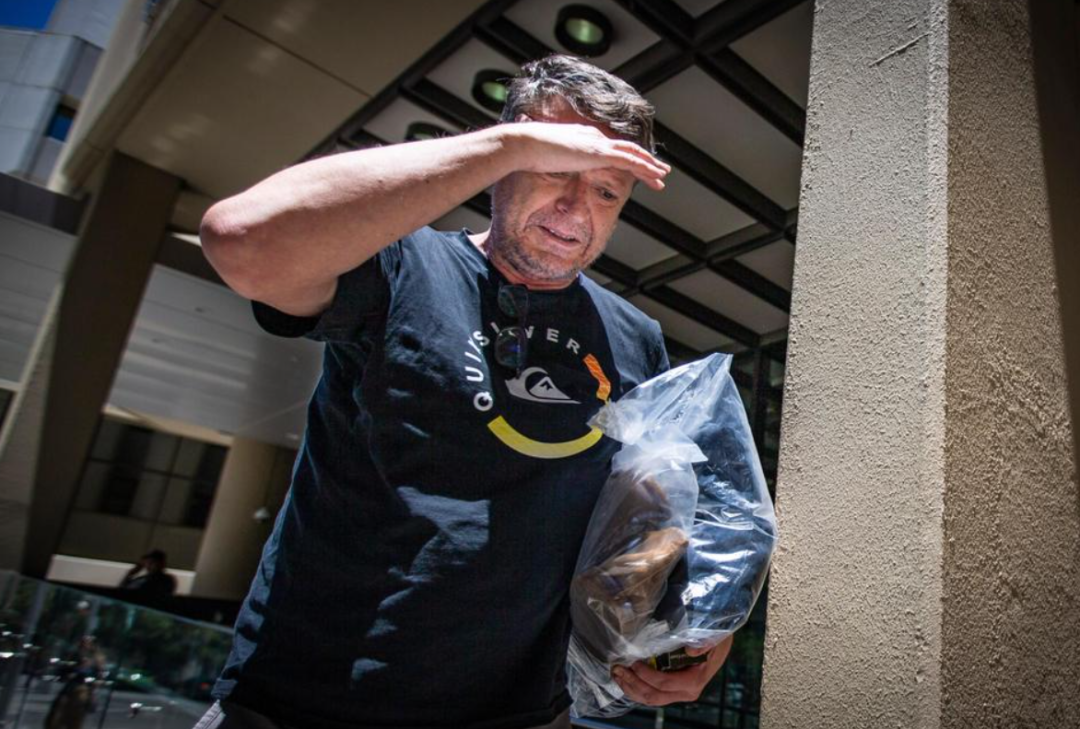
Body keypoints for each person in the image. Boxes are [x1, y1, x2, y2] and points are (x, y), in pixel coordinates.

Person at [195, 55, 733, 729]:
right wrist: (509, 144)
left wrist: (697, 620)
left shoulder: (634, 336)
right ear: (503, 157)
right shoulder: (400, 265)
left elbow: (657, 507)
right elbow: (241, 240)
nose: (576, 209)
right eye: (555, 168)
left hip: (522, 715)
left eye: (606, 190)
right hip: (304, 703)